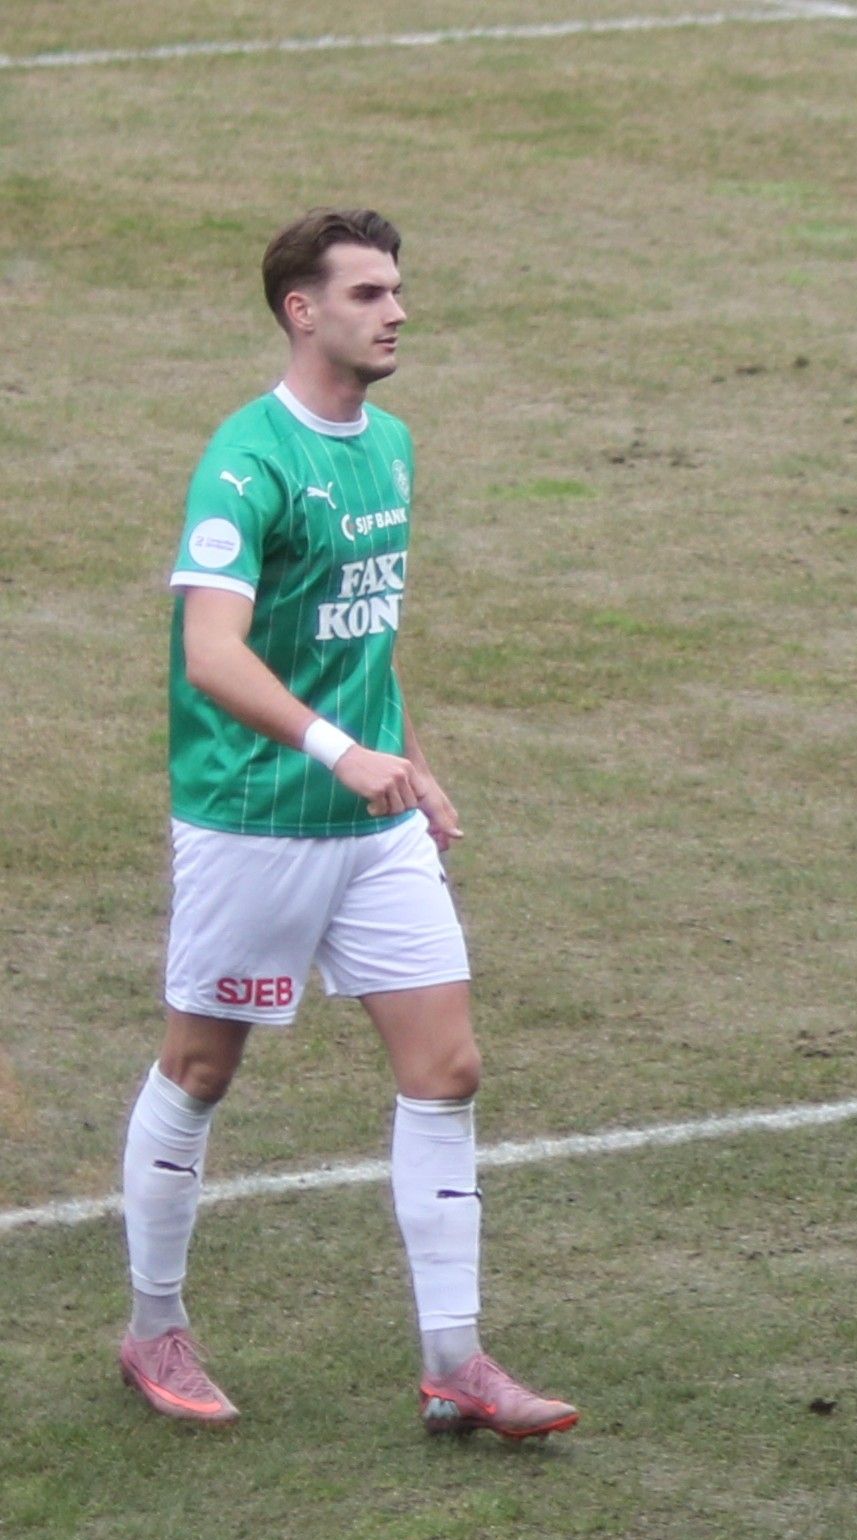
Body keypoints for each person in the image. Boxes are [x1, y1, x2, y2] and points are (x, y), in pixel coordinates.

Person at [124, 207, 574, 1438]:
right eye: (369, 292)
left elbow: (360, 634)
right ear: (301, 310)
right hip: (256, 819)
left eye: (397, 289)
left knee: (448, 1066)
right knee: (201, 1068)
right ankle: (153, 1325)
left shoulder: (393, 447)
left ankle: (455, 1359)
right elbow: (212, 652)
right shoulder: (245, 463)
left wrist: (411, 764)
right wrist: (341, 750)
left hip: (375, 827)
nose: (397, 311)